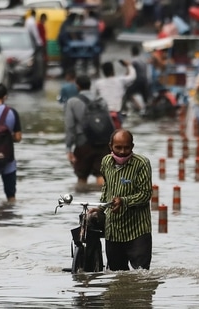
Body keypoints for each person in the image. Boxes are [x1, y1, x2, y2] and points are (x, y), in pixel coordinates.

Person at [88, 129, 153, 271]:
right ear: (111, 146)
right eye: (118, 147)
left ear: (132, 146)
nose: (123, 152)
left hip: (138, 230)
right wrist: (100, 208)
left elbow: (146, 194)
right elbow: (107, 189)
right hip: (114, 230)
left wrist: (124, 201)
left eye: (126, 147)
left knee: (141, 276)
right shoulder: (105, 162)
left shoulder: (141, 164)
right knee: (117, 276)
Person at [65, 75, 110, 190]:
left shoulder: (72, 102)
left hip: (83, 144)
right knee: (101, 176)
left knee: (82, 177)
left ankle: (82, 205)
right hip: (102, 142)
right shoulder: (101, 100)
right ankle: (103, 203)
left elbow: (70, 127)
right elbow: (108, 121)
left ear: (77, 86)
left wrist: (68, 148)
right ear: (90, 86)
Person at [93, 61, 136, 129]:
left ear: (103, 72)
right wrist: (129, 65)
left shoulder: (98, 83)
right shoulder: (120, 80)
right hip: (117, 113)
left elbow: (95, 98)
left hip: (104, 114)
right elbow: (132, 77)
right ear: (113, 70)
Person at [125, 45, 149, 114]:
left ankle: (138, 107)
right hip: (145, 81)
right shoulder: (143, 61)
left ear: (132, 53)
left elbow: (128, 72)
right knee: (146, 99)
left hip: (137, 81)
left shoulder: (133, 61)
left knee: (128, 93)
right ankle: (146, 110)